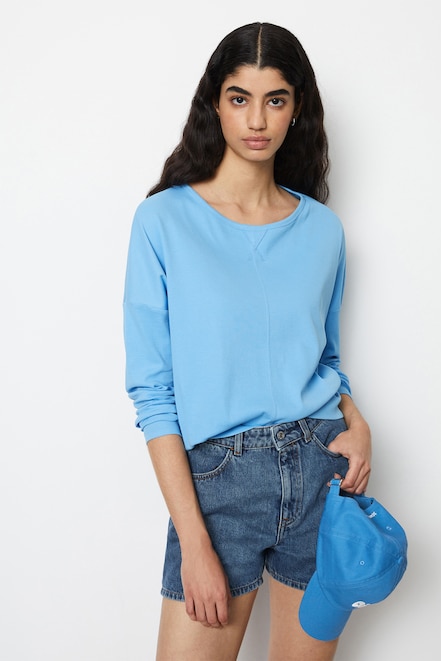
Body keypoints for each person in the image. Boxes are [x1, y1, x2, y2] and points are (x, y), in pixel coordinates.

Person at [123, 22, 371, 661]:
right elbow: (153, 392)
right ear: (215, 103)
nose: (257, 120)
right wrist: (194, 541)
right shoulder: (163, 220)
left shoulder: (323, 230)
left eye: (275, 99)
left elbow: (324, 360)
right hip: (217, 486)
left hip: (320, 474)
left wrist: (357, 423)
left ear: (297, 108)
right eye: (240, 98)